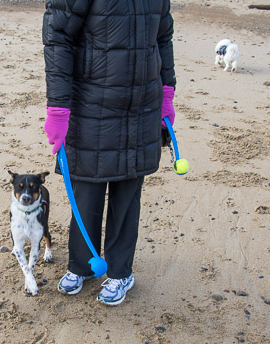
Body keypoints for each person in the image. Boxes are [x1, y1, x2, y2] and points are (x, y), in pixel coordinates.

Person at [43, 0, 175, 306]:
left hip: (143, 105)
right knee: (86, 188)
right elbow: (58, 36)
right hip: (91, 104)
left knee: (127, 193)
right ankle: (82, 265)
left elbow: (163, 37)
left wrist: (167, 91)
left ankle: (120, 271)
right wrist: (58, 107)